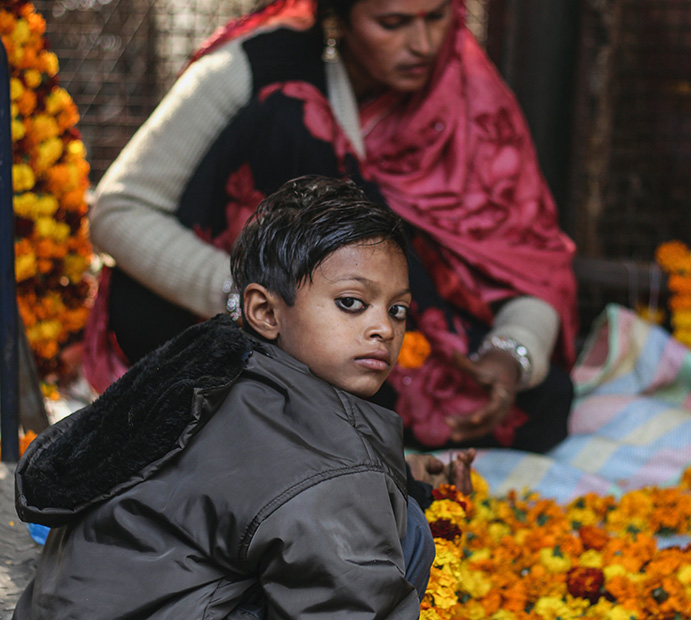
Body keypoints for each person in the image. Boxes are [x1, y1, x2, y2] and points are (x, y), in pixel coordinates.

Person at [84, 0, 578, 451]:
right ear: (339, 17)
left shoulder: (470, 101)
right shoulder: (253, 68)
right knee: (293, 119)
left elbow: (526, 259)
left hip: (388, 331)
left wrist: (512, 352)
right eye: (393, 23)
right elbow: (118, 211)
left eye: (436, 17)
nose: (424, 45)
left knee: (542, 402)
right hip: (237, 319)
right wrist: (257, 304)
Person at [15, 176, 474, 619]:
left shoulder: (208, 370)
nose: (384, 329)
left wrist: (401, 476)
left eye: (397, 309)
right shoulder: (337, 475)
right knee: (410, 534)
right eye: (352, 303)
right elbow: (323, 516)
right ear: (265, 311)